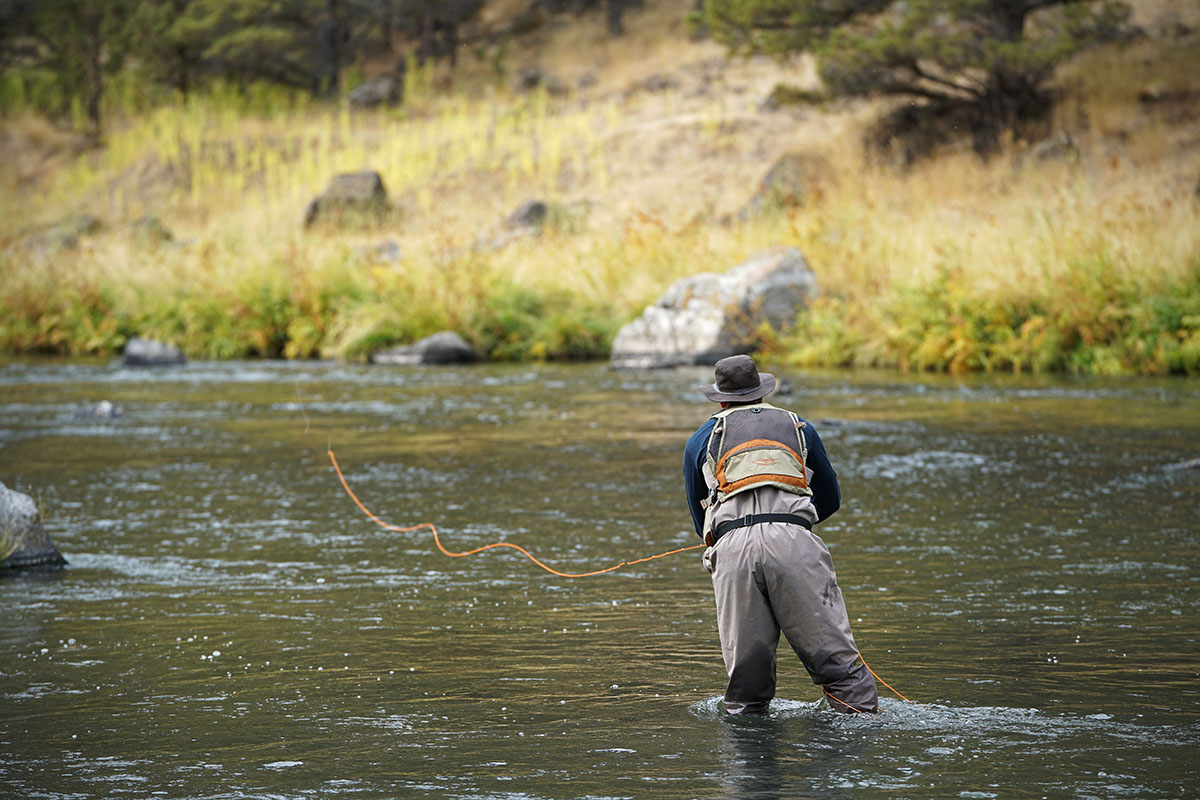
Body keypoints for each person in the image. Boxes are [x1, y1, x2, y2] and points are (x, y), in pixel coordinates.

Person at [683, 354, 878, 715]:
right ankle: (859, 738)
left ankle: (750, 762)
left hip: (732, 549)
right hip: (794, 539)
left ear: (721, 399)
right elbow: (831, 498)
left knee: (746, 686)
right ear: (760, 393)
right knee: (839, 669)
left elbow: (700, 521)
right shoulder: (798, 427)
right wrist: (788, 525)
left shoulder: (701, 438)